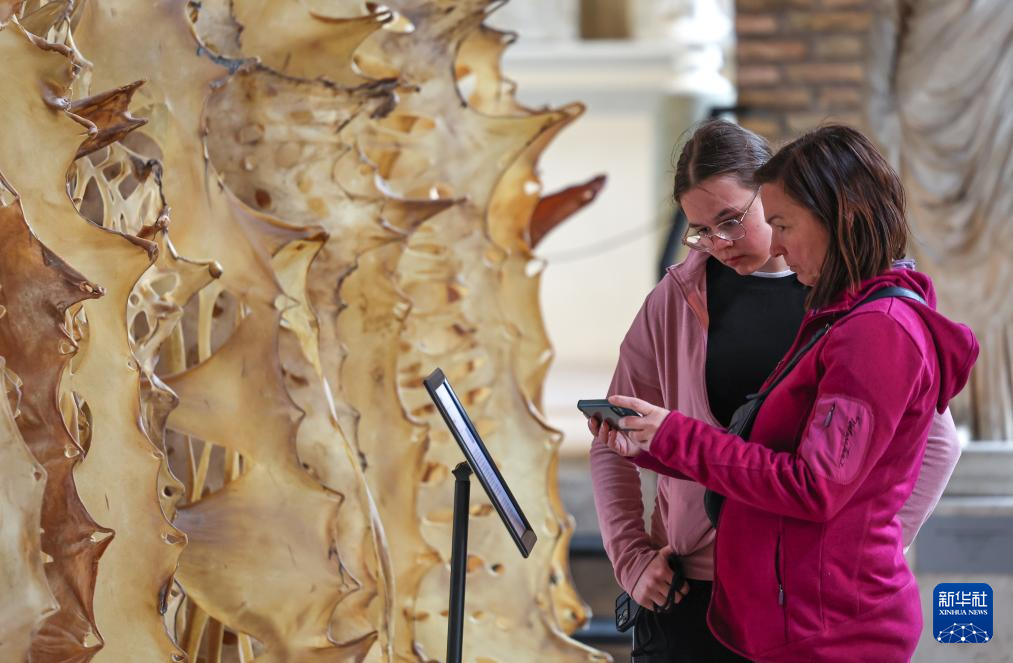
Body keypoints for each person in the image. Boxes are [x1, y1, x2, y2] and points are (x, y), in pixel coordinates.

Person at [588, 120, 962, 662]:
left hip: (802, 596)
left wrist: (858, 554)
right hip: (695, 587)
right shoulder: (680, 298)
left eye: (733, 221)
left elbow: (897, 457)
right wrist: (631, 555)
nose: (718, 244)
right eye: (700, 231)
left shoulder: (864, 319)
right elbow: (633, 441)